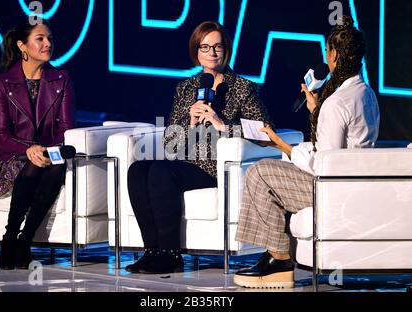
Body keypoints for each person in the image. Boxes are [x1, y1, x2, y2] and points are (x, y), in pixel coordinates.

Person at [233, 16, 380, 288]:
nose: (326, 56)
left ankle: (279, 258)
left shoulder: (336, 103)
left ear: (334, 54)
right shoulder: (365, 93)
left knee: (259, 173)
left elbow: (326, 165)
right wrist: (316, 111)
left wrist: (283, 146)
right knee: (265, 172)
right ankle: (273, 253)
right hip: (352, 183)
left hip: (333, 189)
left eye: (327, 51)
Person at [126, 21, 274, 274]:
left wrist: (222, 124)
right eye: (205, 47)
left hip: (216, 166)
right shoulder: (185, 88)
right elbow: (170, 144)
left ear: (226, 50)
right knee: (138, 169)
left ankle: (171, 254)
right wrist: (190, 122)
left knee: (162, 173)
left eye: (217, 46)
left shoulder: (243, 88)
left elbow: (265, 132)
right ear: (196, 52)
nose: (212, 53)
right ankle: (152, 251)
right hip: (185, 161)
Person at [0, 19, 75, 270]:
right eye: (40, 39)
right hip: (13, 156)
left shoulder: (61, 79)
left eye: (49, 39)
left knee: (55, 166)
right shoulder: (3, 83)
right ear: (22, 46)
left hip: (51, 152)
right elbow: (2, 135)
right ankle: (12, 236)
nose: (48, 43)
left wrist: (45, 150)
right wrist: (29, 148)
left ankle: (22, 240)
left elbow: (66, 128)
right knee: (35, 165)